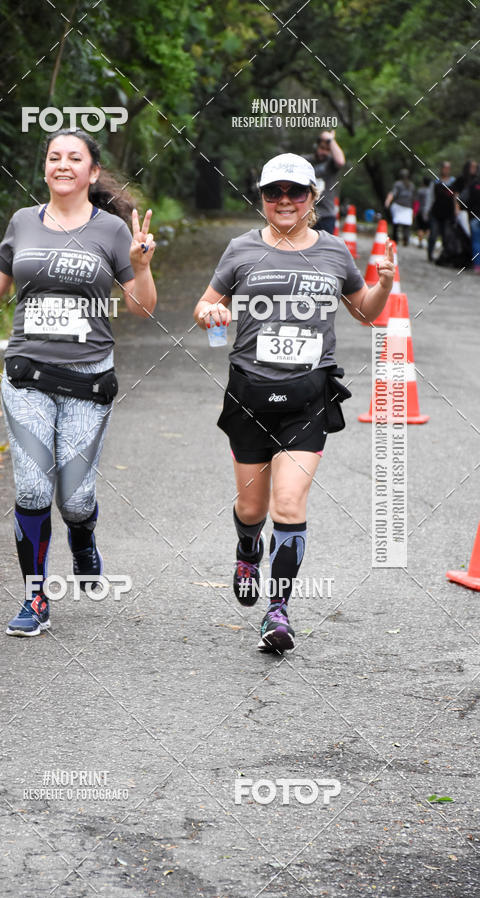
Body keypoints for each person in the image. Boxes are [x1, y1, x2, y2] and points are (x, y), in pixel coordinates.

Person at [0, 129, 157, 636]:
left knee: (75, 499)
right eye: (53, 157)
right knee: (30, 486)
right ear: (45, 168)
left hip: (89, 380)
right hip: (28, 376)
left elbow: (142, 307)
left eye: (74, 158)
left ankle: (82, 536)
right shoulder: (23, 221)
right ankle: (35, 598)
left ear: (92, 172)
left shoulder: (113, 230)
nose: (62, 164)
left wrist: (140, 267)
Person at [193, 153, 394, 654]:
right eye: (273, 192)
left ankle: (278, 611)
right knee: (252, 507)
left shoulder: (334, 251)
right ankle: (247, 549)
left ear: (312, 197)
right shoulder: (241, 249)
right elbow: (205, 304)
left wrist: (385, 286)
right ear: (262, 197)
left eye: (295, 192)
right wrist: (211, 313)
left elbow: (365, 313)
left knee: (288, 503)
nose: (284, 201)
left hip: (308, 397)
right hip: (250, 394)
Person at [307, 131, 345, 233]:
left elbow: (340, 161)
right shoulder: (306, 161)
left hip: (326, 216)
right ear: (316, 146)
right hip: (306, 215)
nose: (323, 152)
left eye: (327, 149)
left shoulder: (331, 164)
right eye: (322, 148)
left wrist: (331, 140)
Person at [424, 161, 455, 263]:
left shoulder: (453, 182)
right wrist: (426, 211)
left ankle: (445, 256)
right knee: (433, 235)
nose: (446, 170)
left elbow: (456, 197)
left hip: (448, 214)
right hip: (435, 213)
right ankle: (430, 254)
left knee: (446, 236)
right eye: (444, 168)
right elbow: (430, 198)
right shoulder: (436, 182)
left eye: (448, 168)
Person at [385, 169, 415, 246]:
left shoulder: (398, 184)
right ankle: (405, 239)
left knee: (396, 224)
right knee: (406, 225)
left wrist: (388, 201)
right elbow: (412, 197)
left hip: (398, 205)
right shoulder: (411, 185)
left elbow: (393, 193)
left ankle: (395, 240)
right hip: (408, 207)